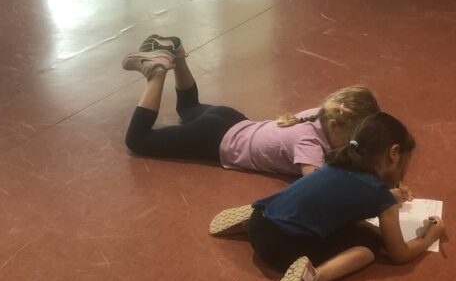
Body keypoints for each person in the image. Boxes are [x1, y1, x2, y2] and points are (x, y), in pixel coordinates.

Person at [211, 112, 445, 281]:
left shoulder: (336, 162)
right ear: (393, 154)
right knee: (369, 246)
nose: (404, 172)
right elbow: (399, 254)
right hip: (282, 249)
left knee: (344, 221)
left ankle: (248, 220)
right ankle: (311, 278)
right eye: (405, 163)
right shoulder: (380, 196)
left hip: (259, 221)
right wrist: (429, 236)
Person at [121, 35, 381, 176]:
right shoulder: (308, 145)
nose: (353, 146)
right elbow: (319, 185)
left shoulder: (320, 114)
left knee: (188, 109)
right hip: (214, 139)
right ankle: (157, 72)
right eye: (352, 140)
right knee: (138, 140)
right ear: (334, 126)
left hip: (230, 119)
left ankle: (177, 55)